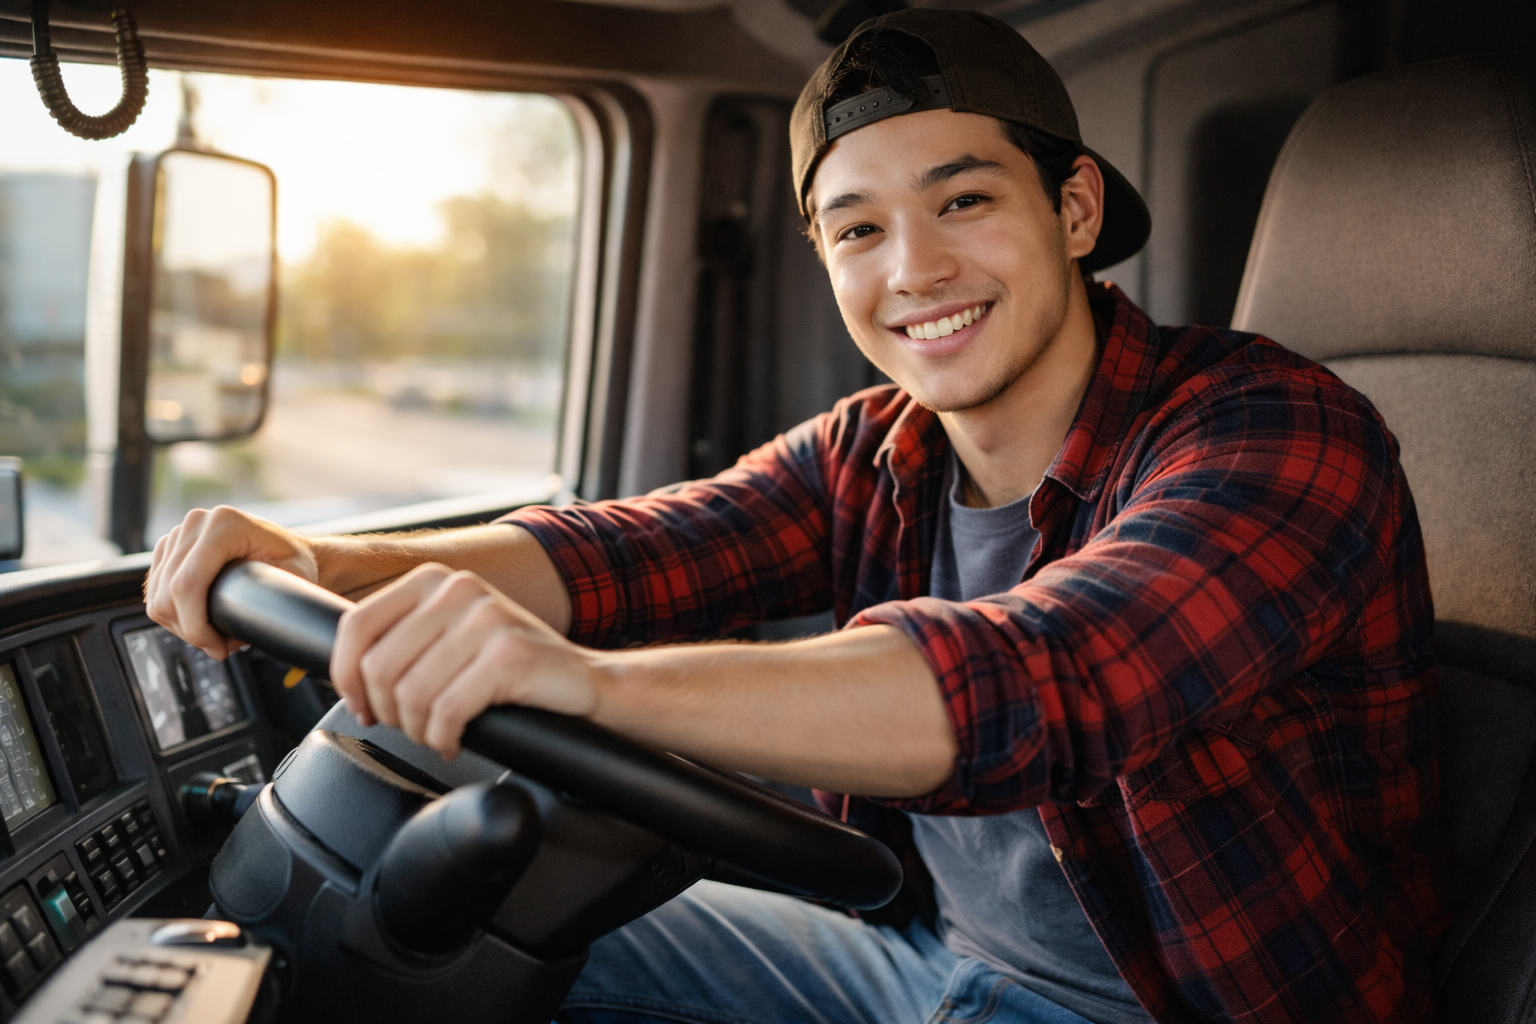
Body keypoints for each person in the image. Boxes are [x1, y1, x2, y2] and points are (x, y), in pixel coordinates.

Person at [144, 10, 1445, 1024]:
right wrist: (320, 561)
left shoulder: (1278, 431)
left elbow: (1048, 676)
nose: (913, 270)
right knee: (412, 951)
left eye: (965, 200)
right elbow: (621, 551)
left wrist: (583, 688)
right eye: (856, 229)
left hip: (1176, 1007)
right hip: (917, 962)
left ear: (1076, 208)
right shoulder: (878, 449)